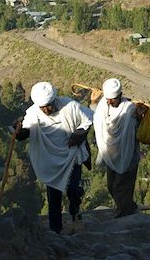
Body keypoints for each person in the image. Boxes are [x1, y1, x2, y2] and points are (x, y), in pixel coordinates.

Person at [13, 81, 93, 234]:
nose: (46, 110)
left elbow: (87, 122)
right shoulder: (33, 113)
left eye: (49, 105)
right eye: (42, 107)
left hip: (71, 156)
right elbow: (25, 133)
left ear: (54, 100)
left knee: (72, 189)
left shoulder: (70, 106)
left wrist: (77, 136)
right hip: (51, 160)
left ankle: (75, 210)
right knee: (54, 196)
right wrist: (17, 130)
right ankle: (55, 230)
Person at [92, 78, 145, 218]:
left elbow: (138, 130)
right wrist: (93, 102)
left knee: (122, 188)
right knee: (112, 186)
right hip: (112, 155)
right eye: (108, 99)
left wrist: (139, 118)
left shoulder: (129, 109)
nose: (109, 102)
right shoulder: (103, 106)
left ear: (120, 95)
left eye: (113, 99)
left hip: (127, 155)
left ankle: (124, 213)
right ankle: (128, 209)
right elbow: (97, 119)